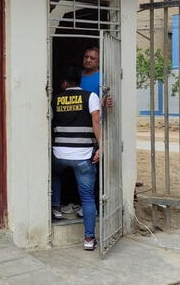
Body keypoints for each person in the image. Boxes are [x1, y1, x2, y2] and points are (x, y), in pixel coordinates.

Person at [51, 67, 101, 251]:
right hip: (83, 155)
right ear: (79, 81)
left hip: (59, 154)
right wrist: (101, 147)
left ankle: (56, 208)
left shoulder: (55, 99)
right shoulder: (91, 97)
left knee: (55, 174)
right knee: (87, 197)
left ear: (64, 83)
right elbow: (96, 122)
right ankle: (89, 239)